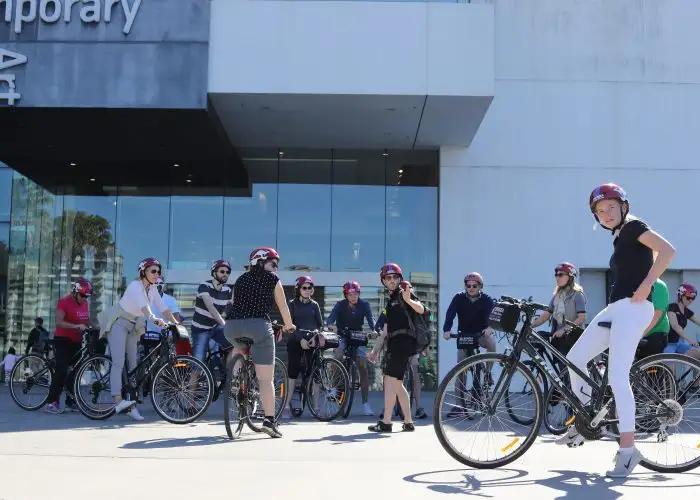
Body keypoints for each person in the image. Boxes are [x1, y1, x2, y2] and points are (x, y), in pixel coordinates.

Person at [558, 183, 675, 479]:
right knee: (575, 360)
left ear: (624, 206)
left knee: (617, 376)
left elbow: (667, 250)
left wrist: (648, 284)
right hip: (616, 308)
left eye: (611, 207)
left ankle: (628, 451)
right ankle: (586, 422)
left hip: (635, 307)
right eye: (600, 210)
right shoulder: (619, 237)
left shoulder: (634, 226)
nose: (606, 213)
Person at [224, 247, 295, 438]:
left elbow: (233, 304)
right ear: (261, 262)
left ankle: (236, 378)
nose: (276, 268)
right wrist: (289, 325)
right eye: (274, 263)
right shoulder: (272, 279)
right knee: (266, 378)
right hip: (258, 327)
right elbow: (283, 306)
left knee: (240, 345)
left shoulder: (240, 279)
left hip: (231, 327)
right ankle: (269, 421)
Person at [108, 257, 179, 421]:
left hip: (135, 324)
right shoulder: (135, 286)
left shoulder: (152, 288)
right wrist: (155, 319)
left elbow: (164, 307)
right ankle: (117, 400)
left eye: (158, 271)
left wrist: (176, 324)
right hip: (119, 321)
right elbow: (145, 308)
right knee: (119, 362)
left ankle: (131, 406)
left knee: (134, 366)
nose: (156, 274)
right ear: (143, 272)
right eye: (153, 271)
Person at [367, 263, 425, 433]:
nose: (392, 280)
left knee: (390, 382)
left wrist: (408, 300)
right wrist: (376, 351)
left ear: (400, 278)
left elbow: (421, 309)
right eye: (388, 278)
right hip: (395, 344)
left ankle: (386, 422)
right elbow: (385, 330)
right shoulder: (391, 301)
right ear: (383, 281)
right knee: (398, 384)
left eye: (395, 277)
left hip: (402, 344)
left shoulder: (405, 293)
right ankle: (408, 422)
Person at [327, 280, 376, 416]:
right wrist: (331, 326)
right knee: (337, 356)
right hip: (343, 335)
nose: (353, 297)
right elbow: (330, 319)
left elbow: (371, 321)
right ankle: (335, 389)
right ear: (345, 295)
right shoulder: (340, 305)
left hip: (358, 336)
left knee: (363, 367)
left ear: (359, 293)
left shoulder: (364, 304)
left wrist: (374, 330)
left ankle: (365, 404)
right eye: (350, 294)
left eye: (355, 294)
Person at [44, 279, 92, 414]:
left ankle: (70, 402)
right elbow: (59, 322)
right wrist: (76, 326)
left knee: (75, 371)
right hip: (62, 340)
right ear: (75, 292)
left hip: (76, 341)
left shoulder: (85, 304)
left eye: (87, 297)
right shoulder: (64, 302)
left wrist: (95, 326)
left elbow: (86, 320)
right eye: (82, 296)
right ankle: (51, 402)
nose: (84, 299)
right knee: (62, 370)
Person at [283, 275, 324, 418]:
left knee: (315, 374)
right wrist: (300, 339)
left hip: (311, 342)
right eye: (304, 288)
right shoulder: (292, 304)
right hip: (295, 341)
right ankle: (286, 405)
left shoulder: (315, 305)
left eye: (310, 288)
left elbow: (320, 325)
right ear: (298, 289)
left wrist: (314, 337)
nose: (307, 290)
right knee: (292, 372)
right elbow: (289, 326)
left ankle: (316, 406)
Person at [376, 311, 427, 420]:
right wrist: (380, 333)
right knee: (390, 377)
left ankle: (419, 407)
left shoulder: (412, 307)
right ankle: (388, 408)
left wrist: (423, 345)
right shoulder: (389, 308)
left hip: (409, 344)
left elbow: (421, 326)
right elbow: (379, 326)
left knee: (413, 373)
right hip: (394, 345)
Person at [531, 262, 587, 359]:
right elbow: (545, 316)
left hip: (573, 339)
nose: (557, 278)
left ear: (570, 277)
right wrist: (529, 326)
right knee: (561, 371)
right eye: (556, 275)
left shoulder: (577, 295)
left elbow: (581, 318)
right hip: (558, 339)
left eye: (561, 275)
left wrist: (564, 330)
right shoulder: (556, 296)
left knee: (569, 371)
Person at [191, 260, 233, 361]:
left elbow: (234, 308)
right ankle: (194, 376)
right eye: (222, 272)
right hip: (201, 329)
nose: (225, 274)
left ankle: (229, 372)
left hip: (215, 327)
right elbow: (211, 308)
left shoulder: (227, 290)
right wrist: (224, 324)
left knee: (235, 345)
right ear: (214, 273)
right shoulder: (205, 285)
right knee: (198, 362)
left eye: (227, 272)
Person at [142, 277, 183, 357]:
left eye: (160, 283)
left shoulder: (171, 300)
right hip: (151, 335)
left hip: (166, 335)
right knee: (151, 360)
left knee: (165, 360)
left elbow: (176, 317)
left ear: (163, 285)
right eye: (155, 283)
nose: (158, 286)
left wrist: (178, 329)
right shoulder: (146, 298)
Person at [635, 278, 670, 359]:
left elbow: (656, 315)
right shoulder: (637, 283)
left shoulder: (659, 285)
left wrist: (640, 335)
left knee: (649, 367)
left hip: (655, 333)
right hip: (640, 332)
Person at [664, 283, 700, 354]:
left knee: (697, 354)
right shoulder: (672, 307)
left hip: (679, 344)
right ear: (681, 296)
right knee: (669, 362)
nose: (691, 301)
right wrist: (690, 339)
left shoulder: (686, 311)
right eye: (688, 297)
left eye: (693, 298)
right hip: (668, 344)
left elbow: (698, 321)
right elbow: (675, 326)